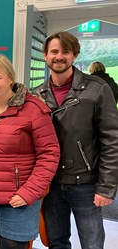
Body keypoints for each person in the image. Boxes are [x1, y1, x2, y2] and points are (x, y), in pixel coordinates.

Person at [34, 31, 118, 249]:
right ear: (45, 55)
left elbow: (112, 140)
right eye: (54, 51)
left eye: (66, 51)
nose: (59, 56)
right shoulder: (36, 95)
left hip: (86, 184)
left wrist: (106, 187)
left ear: (74, 55)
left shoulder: (97, 89)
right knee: (56, 242)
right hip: (51, 184)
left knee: (92, 244)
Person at [0, 54, 60, 249]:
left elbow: (49, 154)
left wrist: (29, 192)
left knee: (13, 244)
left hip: (18, 197)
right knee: (1, 239)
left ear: (10, 79)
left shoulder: (34, 109)